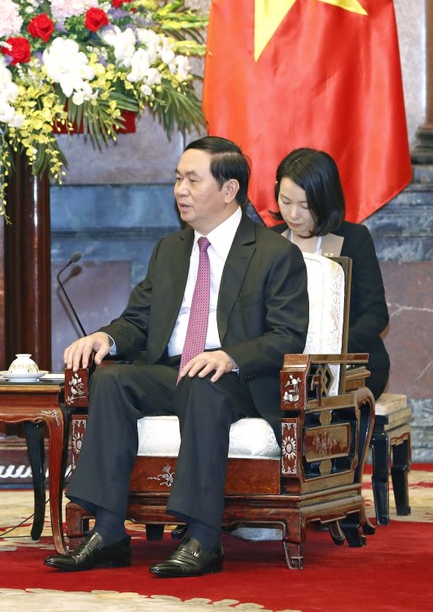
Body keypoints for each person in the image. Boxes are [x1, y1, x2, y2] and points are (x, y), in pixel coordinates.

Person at [44, 136, 309, 577]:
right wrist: (106, 338)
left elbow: (288, 336)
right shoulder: (171, 251)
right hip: (175, 372)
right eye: (177, 179)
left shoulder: (274, 254)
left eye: (192, 179)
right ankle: (108, 533)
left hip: (237, 382)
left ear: (229, 190)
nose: (180, 190)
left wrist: (230, 356)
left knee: (204, 382)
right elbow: (138, 320)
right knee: (110, 380)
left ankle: (203, 539)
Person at [271, 148, 391, 400]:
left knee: (312, 394)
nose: (293, 214)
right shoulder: (269, 242)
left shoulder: (354, 239)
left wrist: (331, 351)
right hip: (284, 362)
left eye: (305, 206)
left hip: (352, 361)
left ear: (325, 200)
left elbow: (376, 314)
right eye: (286, 201)